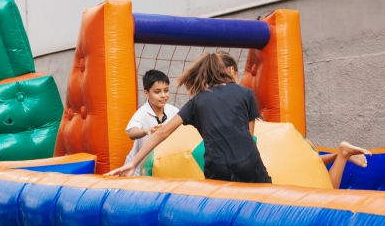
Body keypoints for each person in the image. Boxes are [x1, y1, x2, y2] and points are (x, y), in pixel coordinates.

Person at [216, 50, 372, 189]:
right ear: (233, 72)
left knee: (326, 195)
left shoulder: (220, 101)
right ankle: (341, 155)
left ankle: (343, 154)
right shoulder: (241, 97)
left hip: (267, 155)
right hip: (285, 144)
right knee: (312, 167)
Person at [108, 53, 272, 183]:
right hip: (247, 162)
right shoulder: (245, 93)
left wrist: (133, 163)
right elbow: (250, 137)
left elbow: (163, 132)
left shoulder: (198, 100)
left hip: (217, 166)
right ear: (229, 71)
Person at [124, 70, 179, 176]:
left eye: (166, 90)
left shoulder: (173, 111)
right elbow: (132, 133)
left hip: (161, 166)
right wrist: (145, 131)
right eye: (157, 92)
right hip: (137, 169)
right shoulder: (142, 113)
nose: (163, 95)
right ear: (146, 93)